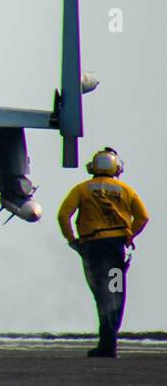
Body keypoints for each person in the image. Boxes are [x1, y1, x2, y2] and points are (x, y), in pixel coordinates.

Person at [56, 147, 150, 358]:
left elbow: (63, 215)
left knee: (101, 293)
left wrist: (72, 240)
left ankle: (106, 344)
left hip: (93, 248)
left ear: (93, 167)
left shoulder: (82, 189)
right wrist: (130, 236)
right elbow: (143, 217)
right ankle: (110, 342)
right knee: (116, 292)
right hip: (117, 249)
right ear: (117, 168)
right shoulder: (126, 190)